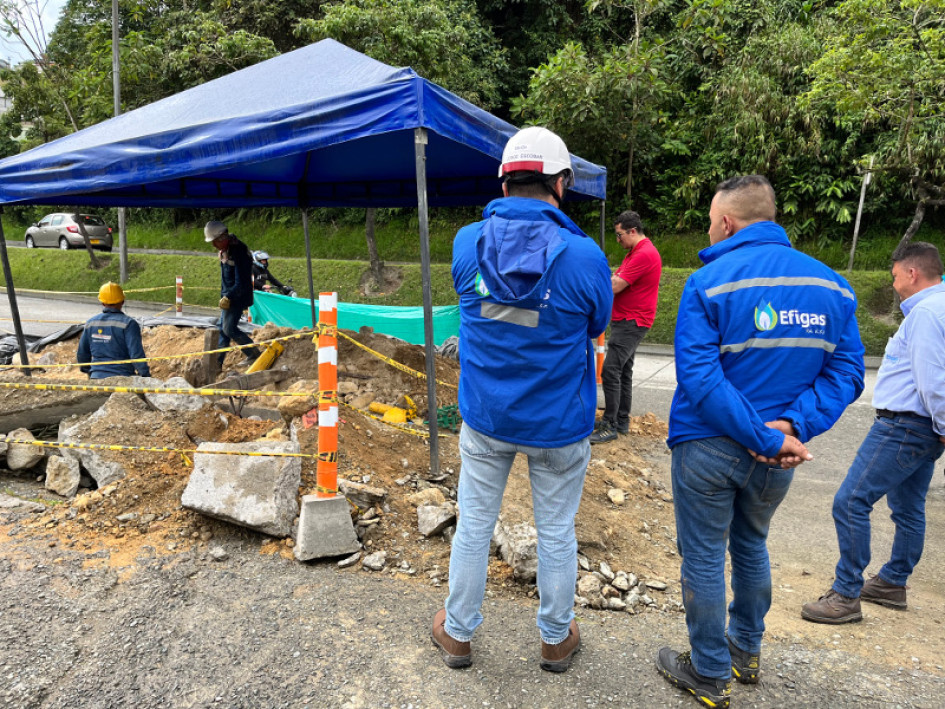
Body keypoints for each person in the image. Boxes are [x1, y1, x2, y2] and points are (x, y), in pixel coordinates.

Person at [657, 175, 865, 708]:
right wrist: (791, 429)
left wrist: (761, 436)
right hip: (777, 458)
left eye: (710, 220)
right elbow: (847, 373)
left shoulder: (709, 283)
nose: (710, 228)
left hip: (709, 445)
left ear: (726, 222)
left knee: (703, 556)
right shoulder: (833, 287)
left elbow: (700, 379)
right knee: (751, 545)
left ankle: (708, 672)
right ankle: (745, 653)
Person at [432, 126, 612, 673]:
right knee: (557, 532)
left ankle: (458, 633)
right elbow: (597, 323)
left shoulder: (468, 243)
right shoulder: (584, 257)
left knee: (474, 525)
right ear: (562, 183)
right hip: (559, 424)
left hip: (486, 419)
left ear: (504, 183)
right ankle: (556, 639)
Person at [801, 242, 945, 625]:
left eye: (896, 275)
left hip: (905, 426)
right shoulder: (936, 308)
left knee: (850, 501)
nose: (895, 283)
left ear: (912, 273)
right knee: (909, 508)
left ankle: (846, 594)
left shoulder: (928, 314)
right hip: (921, 428)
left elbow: (933, 382)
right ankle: (893, 582)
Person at [590, 210, 662, 443]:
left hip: (633, 320)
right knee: (623, 371)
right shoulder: (635, 252)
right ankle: (620, 421)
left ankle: (610, 424)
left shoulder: (644, 254)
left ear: (632, 231)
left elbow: (615, 285)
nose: (618, 239)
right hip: (628, 319)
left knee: (610, 370)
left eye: (620, 235)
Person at [205, 220, 261, 367]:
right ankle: (217, 363)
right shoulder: (226, 250)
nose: (213, 245)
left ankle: (254, 354)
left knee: (229, 329)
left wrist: (228, 296)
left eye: (215, 241)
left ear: (223, 237)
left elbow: (241, 281)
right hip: (229, 295)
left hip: (237, 296)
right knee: (223, 329)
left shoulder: (238, 251)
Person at [77, 282, 151, 379]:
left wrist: (90, 372)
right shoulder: (129, 324)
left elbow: (82, 354)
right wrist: (145, 375)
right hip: (122, 378)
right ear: (122, 301)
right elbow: (136, 354)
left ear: (102, 303)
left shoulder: (91, 323)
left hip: (97, 378)